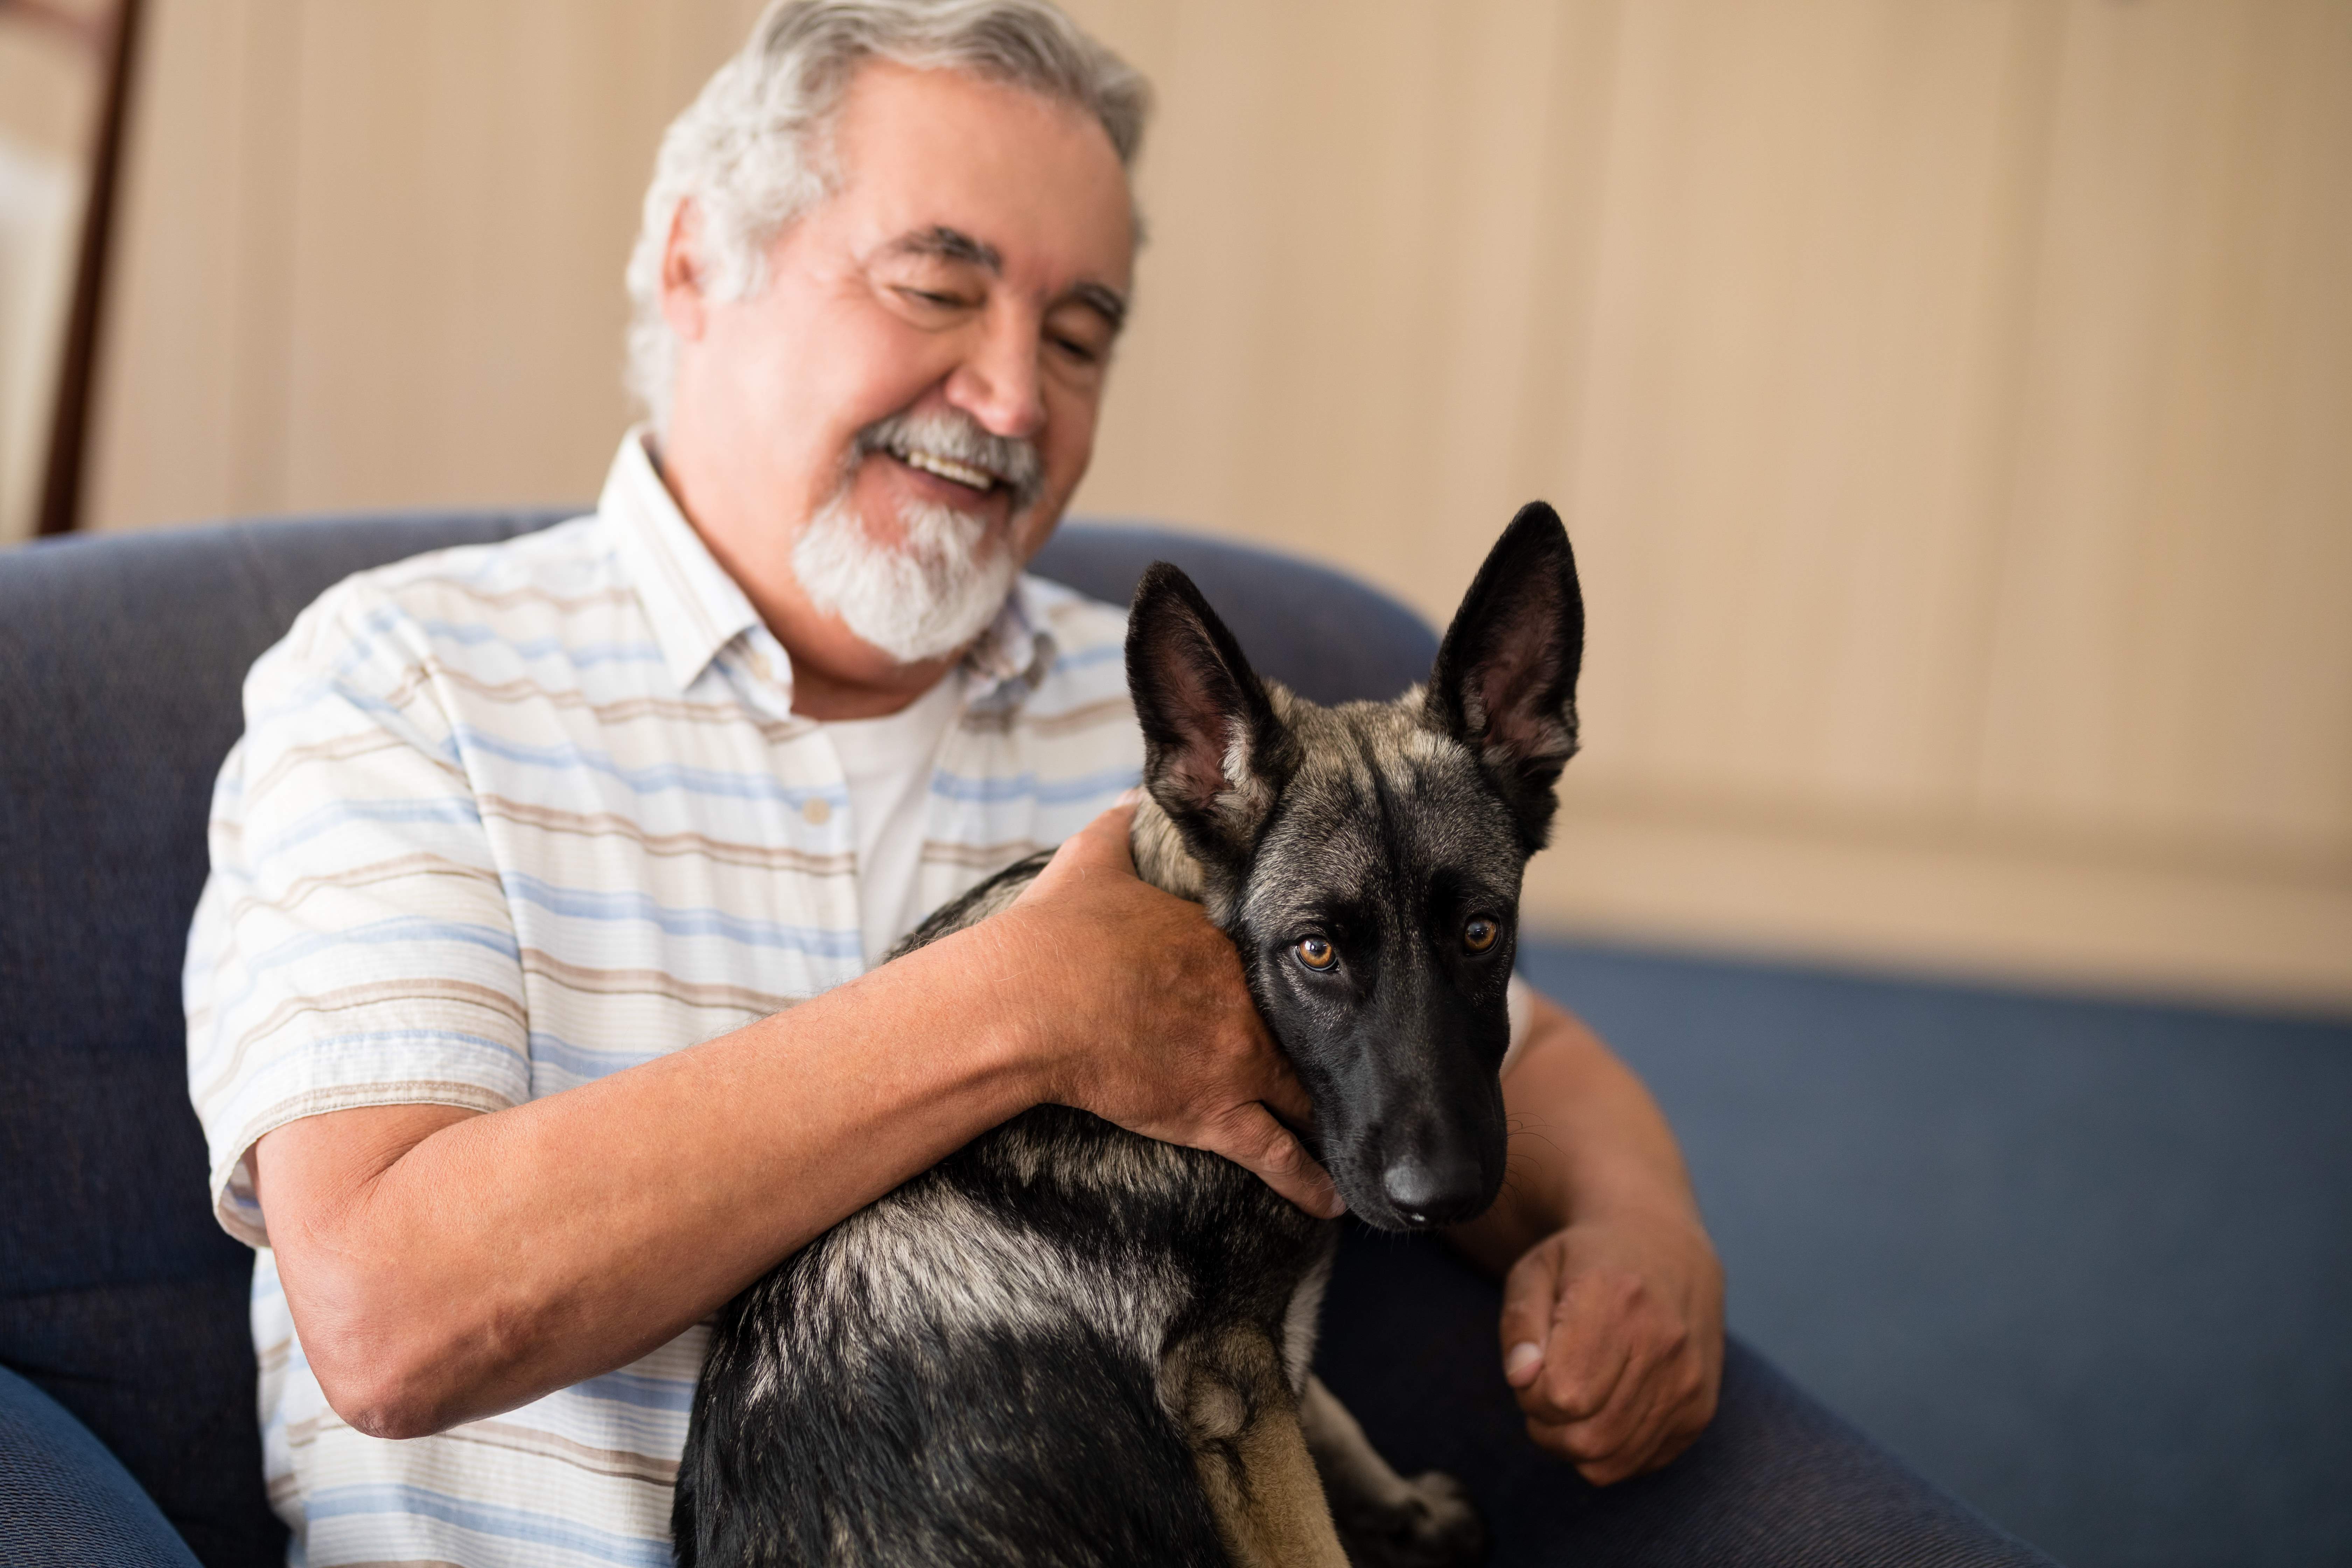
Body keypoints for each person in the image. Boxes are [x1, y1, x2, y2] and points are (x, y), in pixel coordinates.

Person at [187, 4, 2046, 1565]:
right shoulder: (405, 683)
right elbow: (391, 1316)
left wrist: (1639, 1227)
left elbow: (1496, 1041)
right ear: (694, 262)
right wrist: (1020, 1011)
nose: (1013, 397)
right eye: (941, 286)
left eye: (1079, 337)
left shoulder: (1195, 728)